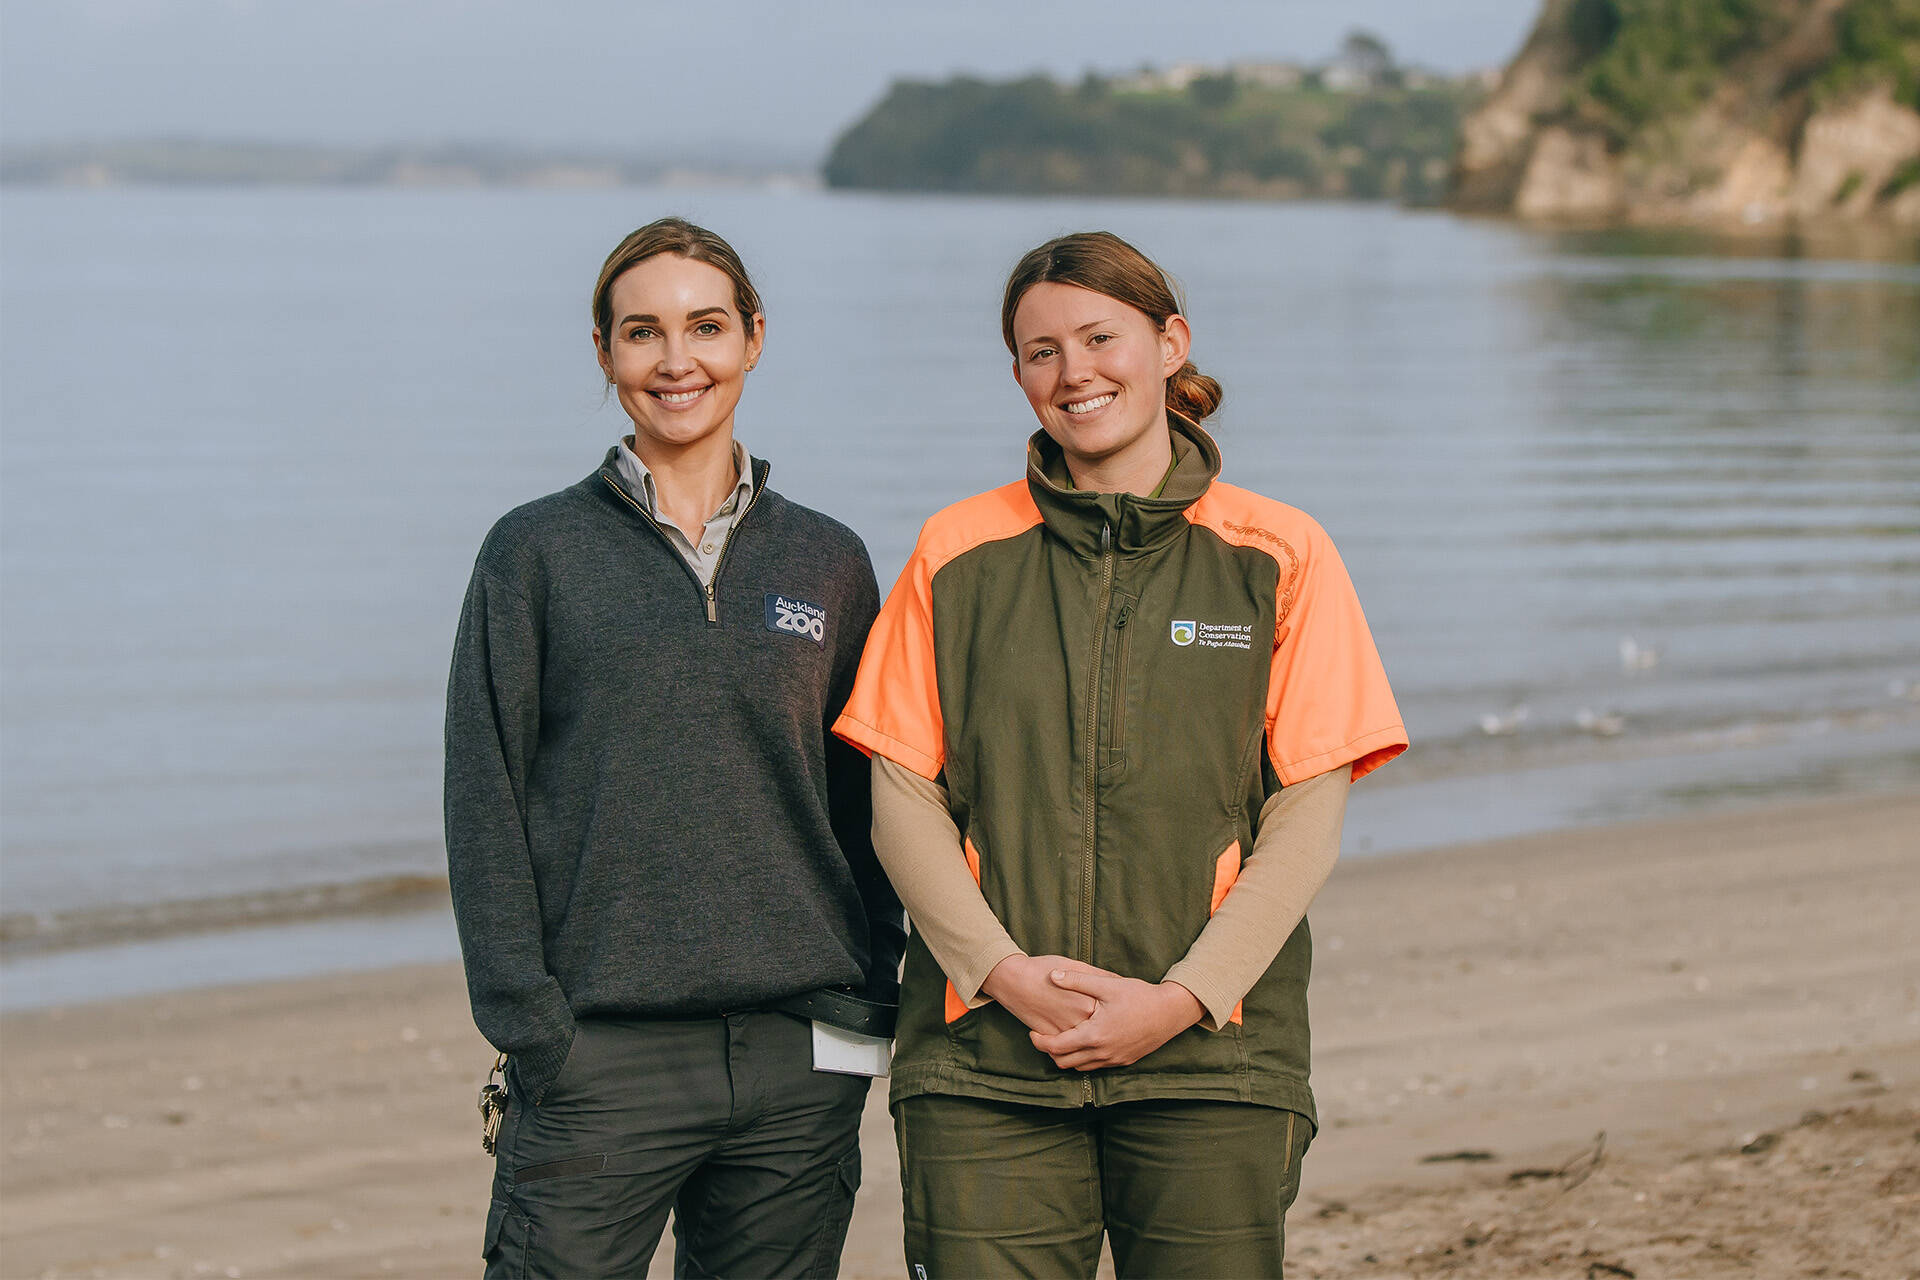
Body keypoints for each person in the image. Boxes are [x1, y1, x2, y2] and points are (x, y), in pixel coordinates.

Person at [833, 230, 1407, 1278]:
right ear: (1017, 376)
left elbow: (1306, 813)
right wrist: (1002, 973)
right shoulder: (956, 551)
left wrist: (1183, 997)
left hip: (1213, 1062)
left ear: (1170, 343)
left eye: (1101, 336)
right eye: (1040, 351)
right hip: (986, 1065)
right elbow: (900, 793)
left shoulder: (1280, 555)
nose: (1074, 372)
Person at [445, 216, 904, 1279]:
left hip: (800, 1055)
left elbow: (869, 799)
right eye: (642, 332)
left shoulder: (828, 558)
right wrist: (533, 1026)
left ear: (752, 337)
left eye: (705, 326)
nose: (676, 359)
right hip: (600, 1054)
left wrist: (866, 997)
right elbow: (484, 793)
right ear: (605, 355)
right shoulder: (535, 550)